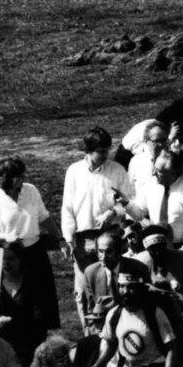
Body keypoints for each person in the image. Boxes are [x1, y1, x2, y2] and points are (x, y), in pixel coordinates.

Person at [61, 127, 134, 322]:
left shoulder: (117, 170)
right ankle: (90, 336)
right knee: (83, 291)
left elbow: (128, 202)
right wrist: (68, 239)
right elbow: (67, 207)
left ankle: (116, 326)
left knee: (112, 284)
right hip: (83, 239)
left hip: (109, 237)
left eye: (107, 150)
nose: (105, 155)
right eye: (100, 151)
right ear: (88, 150)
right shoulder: (74, 171)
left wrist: (112, 212)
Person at [0, 155, 62, 328]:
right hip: (10, 254)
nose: (24, 179)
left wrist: (60, 238)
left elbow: (44, 217)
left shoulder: (30, 190)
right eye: (21, 176)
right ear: (9, 178)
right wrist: (5, 237)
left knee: (41, 298)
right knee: (17, 297)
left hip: (34, 250)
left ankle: (40, 333)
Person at [121, 150, 183, 250]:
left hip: (181, 246)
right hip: (155, 245)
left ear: (173, 174)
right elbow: (140, 214)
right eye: (154, 168)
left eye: (159, 171)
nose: (153, 173)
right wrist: (126, 203)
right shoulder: (151, 183)